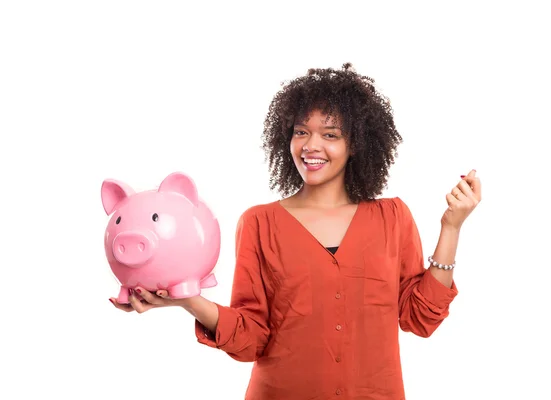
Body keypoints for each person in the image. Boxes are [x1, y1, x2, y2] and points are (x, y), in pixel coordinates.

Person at [110, 62, 482, 399]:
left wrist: (451, 227)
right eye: (301, 131)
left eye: (330, 134)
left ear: (357, 145)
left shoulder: (392, 217)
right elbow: (251, 337)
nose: (311, 146)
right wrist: (188, 301)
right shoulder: (259, 223)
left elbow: (419, 318)